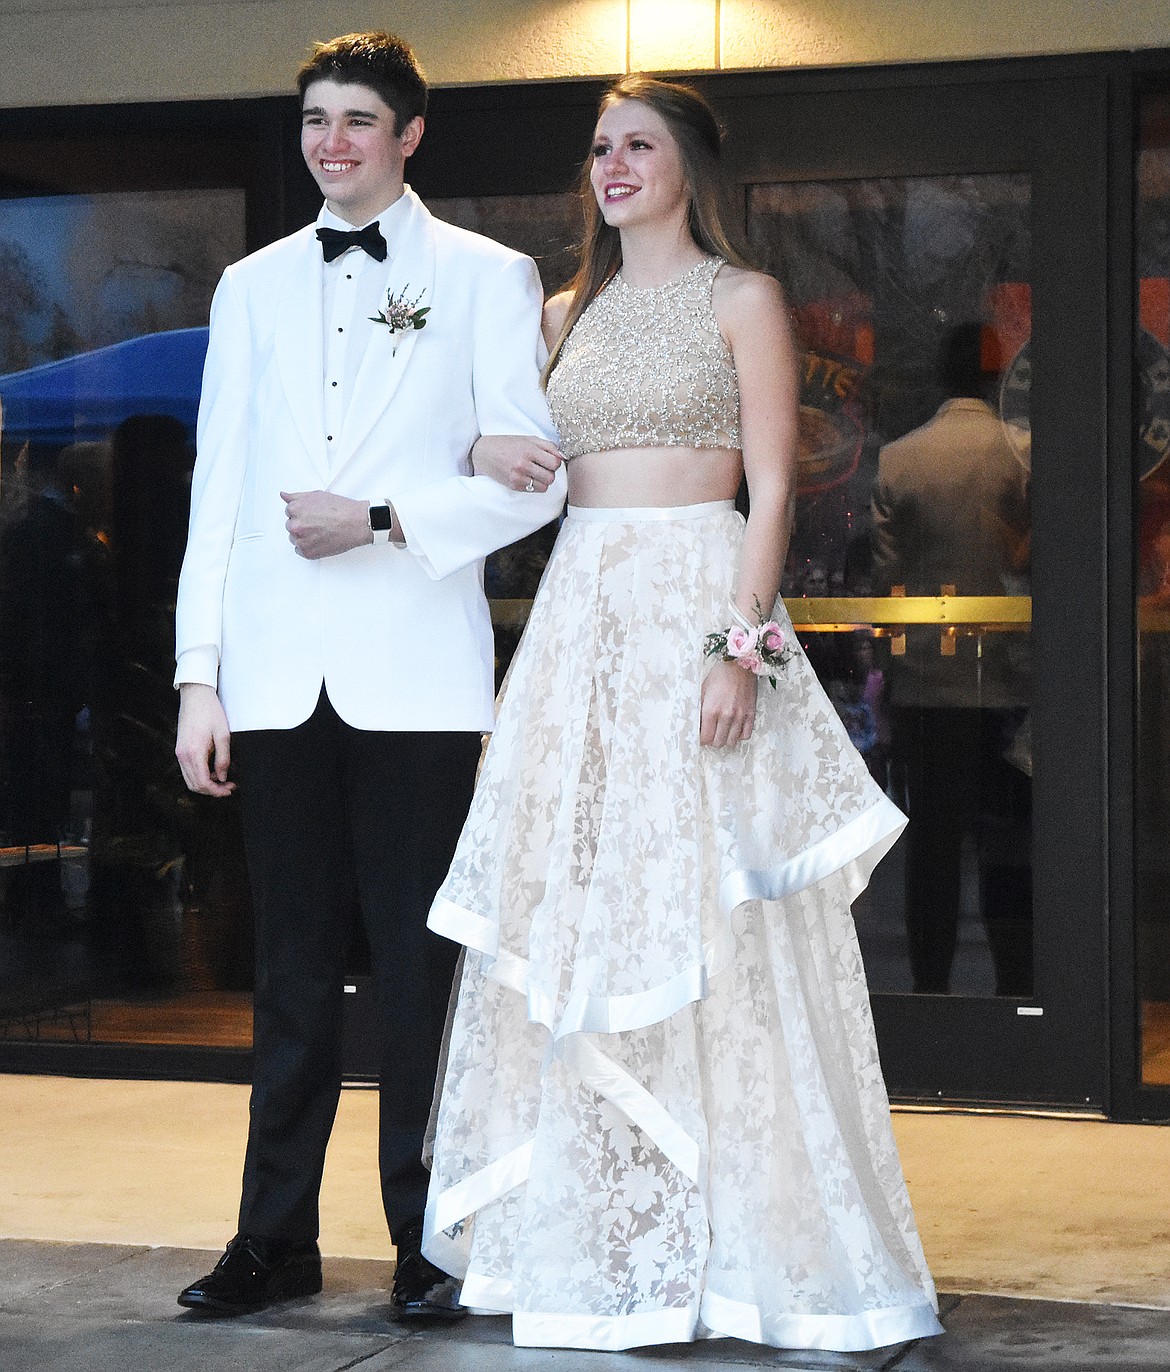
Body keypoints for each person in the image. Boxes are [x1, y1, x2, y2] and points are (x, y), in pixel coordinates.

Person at [420, 75, 942, 1353]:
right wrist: (481, 457)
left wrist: (737, 647)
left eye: (637, 144)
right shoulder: (563, 310)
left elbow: (773, 493)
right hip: (578, 627)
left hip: (694, 608)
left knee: (719, 917)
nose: (611, 164)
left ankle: (749, 1254)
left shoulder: (744, 299)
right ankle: (605, 1248)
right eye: (600, 147)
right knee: (589, 903)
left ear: (689, 166)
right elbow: (515, 463)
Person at [171, 31, 566, 1317]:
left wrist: (385, 517)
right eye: (315, 122)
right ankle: (272, 1237)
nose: (330, 143)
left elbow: (533, 480)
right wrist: (198, 676)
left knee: (418, 973)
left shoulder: (488, 277)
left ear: (411, 135)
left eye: (356, 121)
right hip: (274, 683)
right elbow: (217, 492)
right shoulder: (249, 286)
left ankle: (429, 1243)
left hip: (419, 687)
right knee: (286, 971)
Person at [872, 322, 1032, 996]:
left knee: (932, 852)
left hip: (927, 684)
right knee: (1009, 850)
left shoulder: (899, 460)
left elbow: (885, 585)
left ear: (941, 377)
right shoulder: (1019, 455)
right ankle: (1019, 988)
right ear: (997, 378)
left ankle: (930, 989)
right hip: (1009, 681)